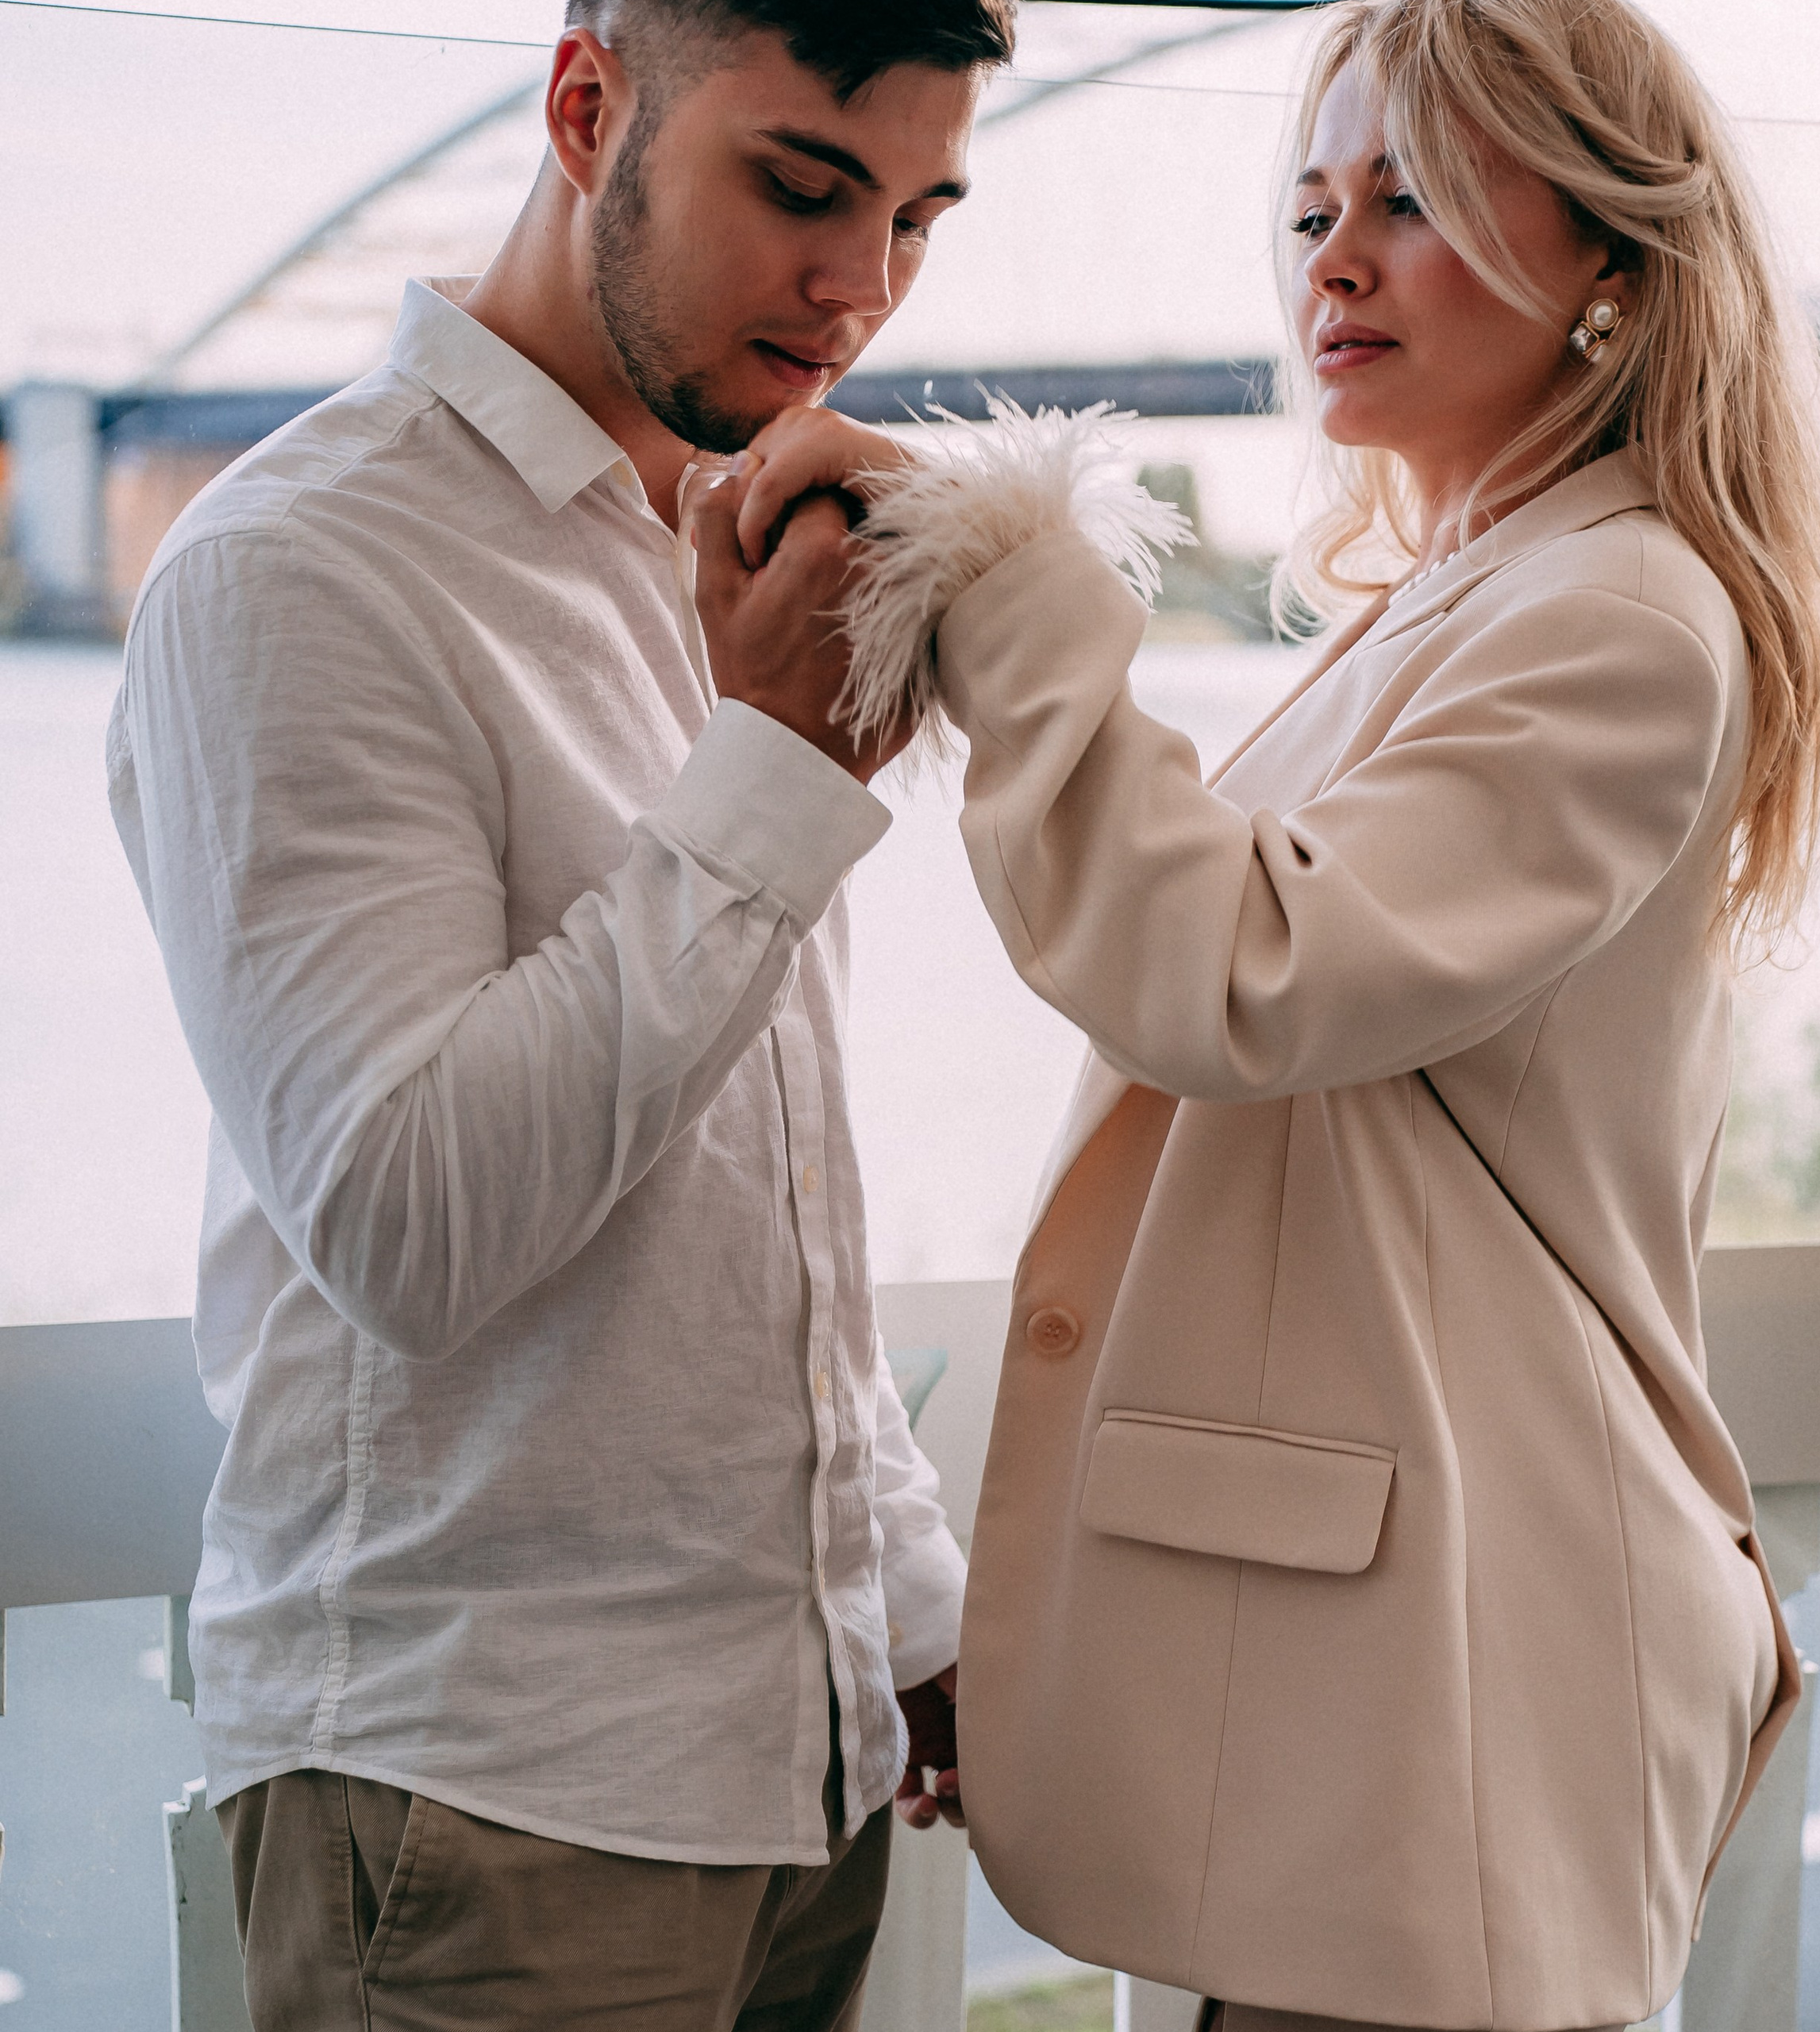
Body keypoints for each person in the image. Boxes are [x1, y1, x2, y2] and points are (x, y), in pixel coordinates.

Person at [704, 0, 1820, 2024]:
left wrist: (993, 567)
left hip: (1445, 1693)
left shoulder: (1615, 613)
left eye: (1409, 199)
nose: (1333, 260)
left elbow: (1236, 968)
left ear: (1610, 261)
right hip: (1378, 1674)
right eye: (1314, 206)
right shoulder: (1487, 588)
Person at [106, 2, 1012, 2026]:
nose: (858, 287)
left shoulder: (728, 554)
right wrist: (779, 769)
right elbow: (405, 1221)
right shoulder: (300, 564)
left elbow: (759, 1198)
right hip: (486, 1801)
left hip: (801, 1768)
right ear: (587, 105)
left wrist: (901, 1601)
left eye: (914, 216)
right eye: (799, 186)